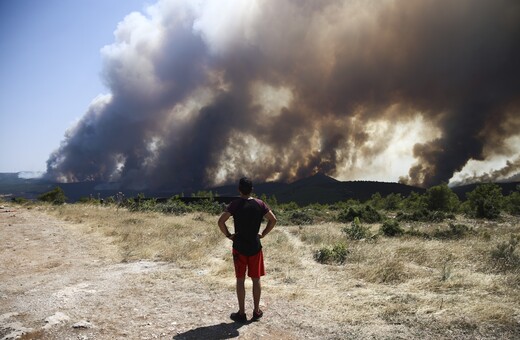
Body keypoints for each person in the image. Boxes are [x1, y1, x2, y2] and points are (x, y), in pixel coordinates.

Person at [218, 177, 277, 323]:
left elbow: (220, 221)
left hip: (239, 247)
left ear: (239, 189)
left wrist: (229, 235)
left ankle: (241, 313)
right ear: (252, 189)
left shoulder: (235, 204)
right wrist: (262, 234)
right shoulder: (259, 204)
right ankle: (256, 311)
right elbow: (273, 219)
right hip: (255, 247)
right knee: (256, 280)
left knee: (240, 280)